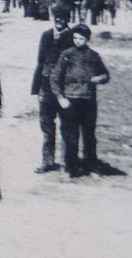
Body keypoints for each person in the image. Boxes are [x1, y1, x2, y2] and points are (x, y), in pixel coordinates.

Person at [50, 26, 124, 178]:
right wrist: (61, 97)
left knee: (89, 134)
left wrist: (100, 78)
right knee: (70, 135)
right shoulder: (67, 55)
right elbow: (55, 78)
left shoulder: (93, 56)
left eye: (81, 39)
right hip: (70, 101)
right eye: (75, 38)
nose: (77, 41)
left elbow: (105, 74)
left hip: (88, 100)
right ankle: (71, 166)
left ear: (87, 39)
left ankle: (90, 163)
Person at [30, 4, 78, 173]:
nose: (59, 21)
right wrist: (35, 89)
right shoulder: (46, 35)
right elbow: (40, 61)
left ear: (67, 19)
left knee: (68, 127)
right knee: (46, 127)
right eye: (56, 18)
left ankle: (68, 163)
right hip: (46, 88)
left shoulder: (74, 37)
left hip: (65, 90)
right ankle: (47, 161)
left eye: (62, 18)